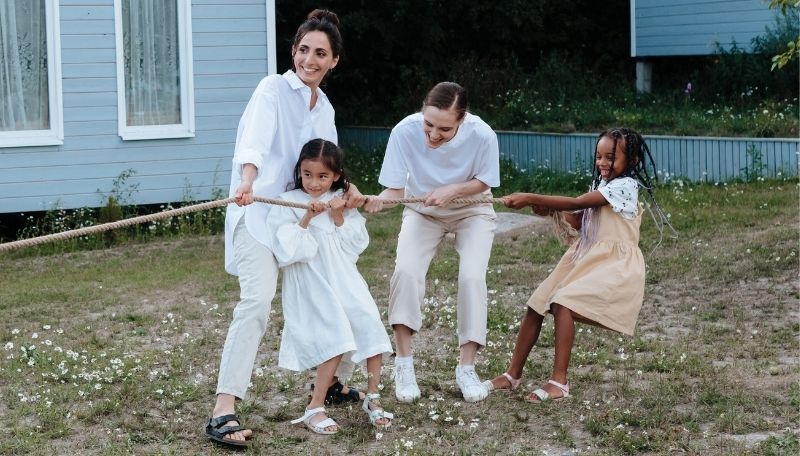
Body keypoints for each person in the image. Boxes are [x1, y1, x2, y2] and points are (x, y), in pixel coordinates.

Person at [206, 9, 366, 448]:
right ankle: (223, 409)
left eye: (320, 53)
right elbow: (253, 142)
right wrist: (247, 181)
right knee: (256, 303)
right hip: (256, 216)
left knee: (338, 290)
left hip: (297, 219)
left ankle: (332, 383)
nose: (309, 60)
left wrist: (348, 190)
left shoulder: (325, 108)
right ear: (293, 51)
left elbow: (324, 162)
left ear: (334, 61)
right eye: (303, 50)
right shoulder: (272, 89)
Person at [485, 127, 668, 402]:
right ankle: (512, 375)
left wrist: (532, 197)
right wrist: (551, 210)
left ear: (630, 161)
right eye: (599, 157)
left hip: (612, 263)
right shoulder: (602, 186)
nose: (603, 163)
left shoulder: (625, 187)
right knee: (537, 304)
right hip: (585, 255)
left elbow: (576, 202)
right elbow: (579, 218)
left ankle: (559, 382)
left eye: (610, 157)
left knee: (563, 302)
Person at [364, 82, 500, 403]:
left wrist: (452, 190)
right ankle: (404, 363)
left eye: (444, 129)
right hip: (422, 211)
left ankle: (466, 368)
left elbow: (485, 180)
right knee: (406, 272)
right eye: (429, 124)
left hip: (473, 209)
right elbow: (395, 191)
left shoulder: (483, 135)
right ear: (422, 112)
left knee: (471, 277)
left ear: (462, 120)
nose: (433, 134)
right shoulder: (404, 132)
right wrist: (373, 201)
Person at [269, 139, 394, 434]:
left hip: (342, 275)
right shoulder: (286, 201)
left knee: (368, 321)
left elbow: (353, 247)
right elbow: (287, 251)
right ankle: (315, 407)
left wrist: (338, 214)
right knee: (335, 333)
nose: (313, 182)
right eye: (307, 174)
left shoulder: (342, 199)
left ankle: (373, 398)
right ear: (299, 171)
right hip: (311, 280)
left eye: (322, 176)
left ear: (336, 176)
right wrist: (308, 216)